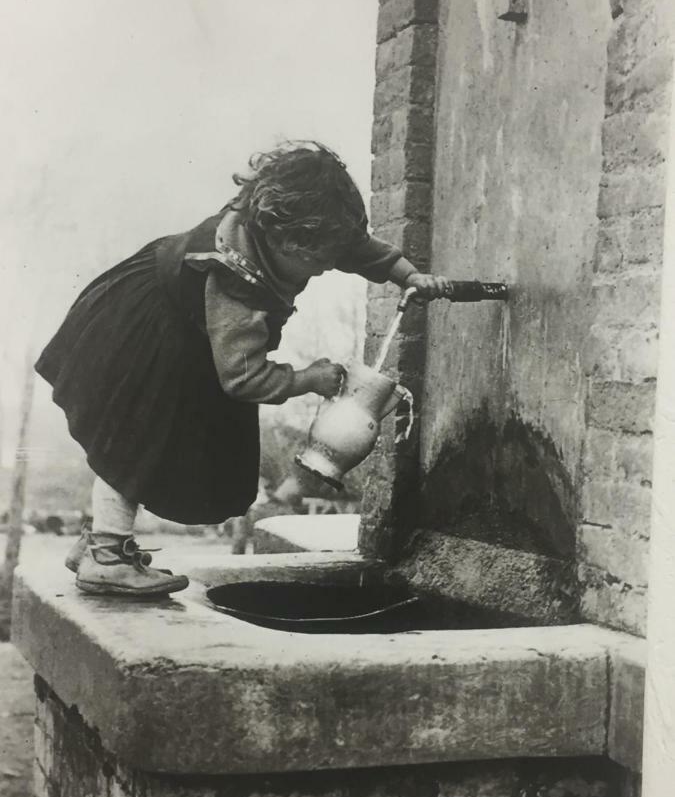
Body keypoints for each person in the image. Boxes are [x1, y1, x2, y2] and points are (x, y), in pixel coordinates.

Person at [36, 141, 451, 598]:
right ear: (280, 238)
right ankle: (107, 557)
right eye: (313, 263)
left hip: (178, 333)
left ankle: (98, 543)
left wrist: (410, 276)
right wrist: (306, 379)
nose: (318, 273)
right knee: (137, 441)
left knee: (138, 442)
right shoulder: (233, 279)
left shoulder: (297, 229)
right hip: (148, 336)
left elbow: (363, 252)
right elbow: (242, 377)